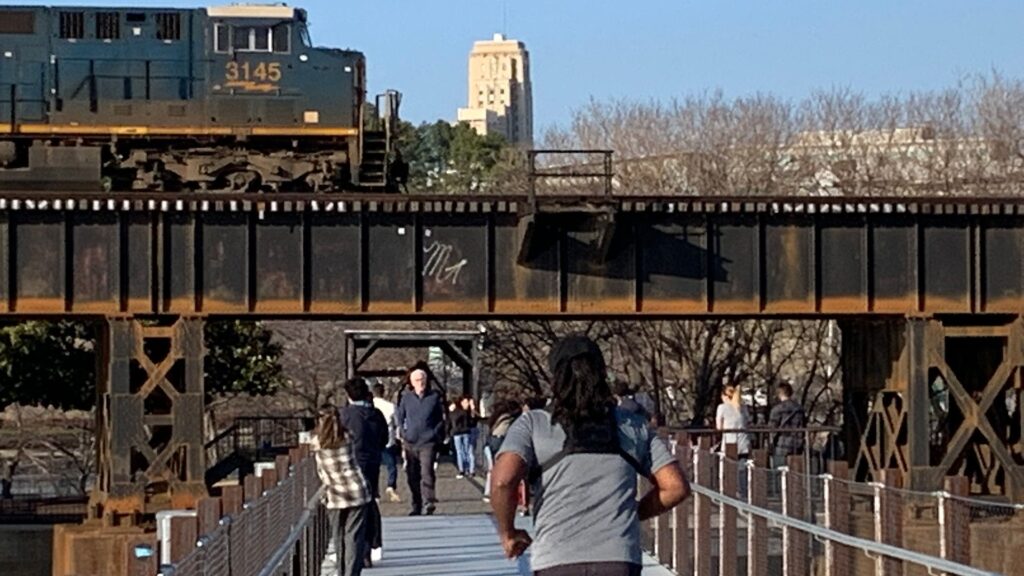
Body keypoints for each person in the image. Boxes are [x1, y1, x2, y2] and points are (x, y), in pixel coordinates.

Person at [491, 335, 690, 576]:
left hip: (556, 559)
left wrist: (508, 533)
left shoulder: (533, 423)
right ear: (601, 375)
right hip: (619, 558)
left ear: (556, 376)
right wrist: (633, 512)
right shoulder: (632, 425)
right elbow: (675, 487)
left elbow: (503, 481)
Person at [313, 404, 372, 576]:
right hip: (356, 489)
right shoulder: (347, 436)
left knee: (337, 536)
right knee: (353, 536)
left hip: (334, 493)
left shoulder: (317, 442)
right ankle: (352, 573)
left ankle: (341, 570)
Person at [339, 378, 388, 566]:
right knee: (368, 503)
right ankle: (368, 546)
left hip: (351, 464)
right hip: (373, 463)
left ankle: (353, 551)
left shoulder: (345, 416)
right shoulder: (376, 414)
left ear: (348, 395)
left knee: (352, 509)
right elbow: (385, 438)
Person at [395, 366, 445, 516]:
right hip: (410, 442)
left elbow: (441, 419)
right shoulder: (406, 398)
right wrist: (404, 433)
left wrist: (435, 434)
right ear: (412, 382)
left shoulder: (434, 397)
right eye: (417, 380)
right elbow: (400, 417)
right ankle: (416, 503)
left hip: (428, 442)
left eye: (422, 380)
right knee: (412, 475)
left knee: (427, 471)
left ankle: (428, 501)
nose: (420, 383)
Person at [483, 399, 523, 503]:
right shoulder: (510, 418)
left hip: (490, 442)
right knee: (501, 468)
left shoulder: (499, 417)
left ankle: (489, 492)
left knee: (492, 469)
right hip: (499, 441)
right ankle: (496, 492)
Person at [372, 384, 402, 503]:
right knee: (391, 465)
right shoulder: (391, 406)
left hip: (373, 440)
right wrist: (399, 437)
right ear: (383, 392)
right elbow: (397, 423)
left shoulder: (370, 406)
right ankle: (390, 485)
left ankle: (375, 493)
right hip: (388, 438)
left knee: (375, 468)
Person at [769, 382, 807, 461]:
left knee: (779, 469)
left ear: (779, 394)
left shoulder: (777, 409)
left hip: (782, 444)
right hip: (797, 444)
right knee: (795, 469)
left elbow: (772, 429)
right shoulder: (799, 409)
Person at [715, 383, 751, 458]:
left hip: (729, 445)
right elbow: (748, 422)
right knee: (742, 468)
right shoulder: (744, 408)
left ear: (724, 396)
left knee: (729, 468)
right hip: (744, 444)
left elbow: (719, 427)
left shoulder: (722, 408)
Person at [450, 395, 477, 478]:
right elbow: (473, 420)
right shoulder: (465, 412)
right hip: (464, 432)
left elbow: (451, 420)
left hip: (459, 432)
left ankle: (464, 469)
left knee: (462, 451)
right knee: (465, 451)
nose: (467, 404)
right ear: (461, 403)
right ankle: (468, 469)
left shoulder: (456, 411)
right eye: (465, 402)